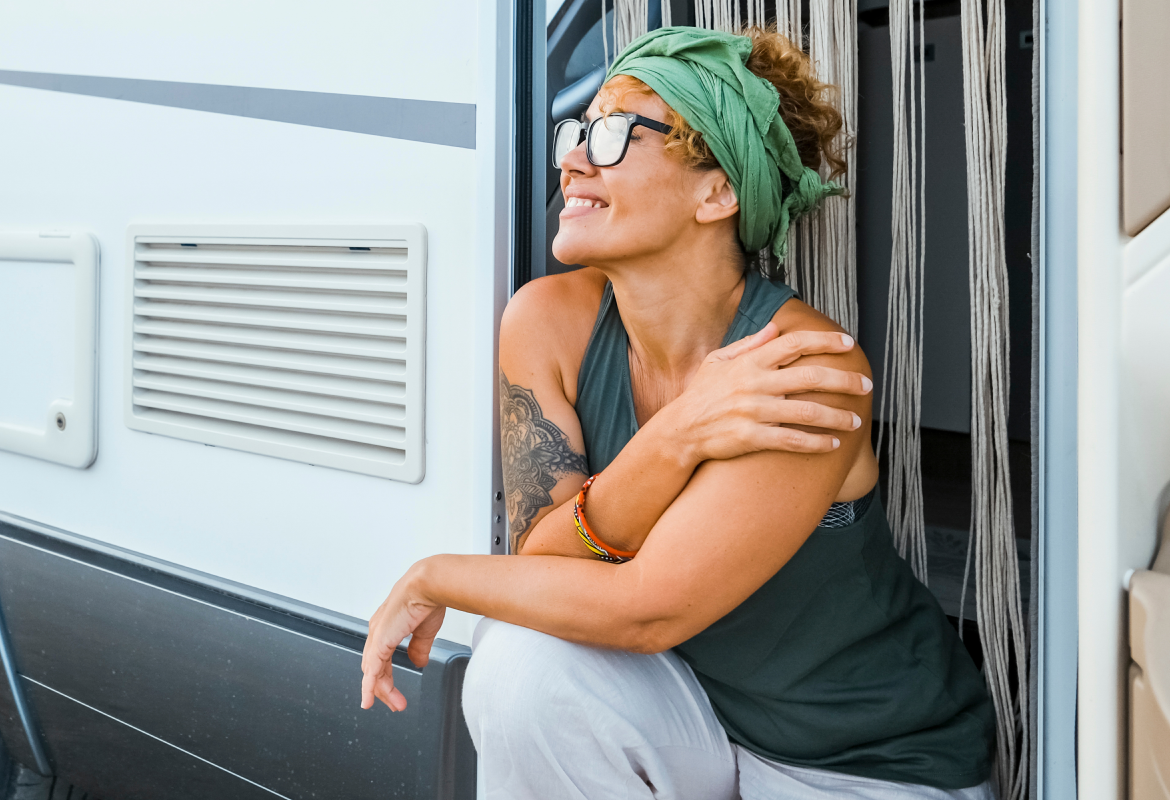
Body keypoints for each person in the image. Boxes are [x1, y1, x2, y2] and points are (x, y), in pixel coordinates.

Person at [357, 26, 996, 799]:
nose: (571, 158)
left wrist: (435, 578)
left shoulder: (805, 370)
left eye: (615, 132)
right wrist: (678, 434)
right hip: (696, 717)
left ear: (717, 191)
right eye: (575, 132)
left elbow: (645, 611)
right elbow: (545, 560)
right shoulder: (547, 321)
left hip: (859, 759)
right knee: (522, 664)